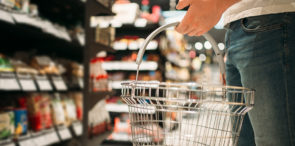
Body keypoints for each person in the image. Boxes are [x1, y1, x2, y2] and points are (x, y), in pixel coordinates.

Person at [175, 0, 295, 146]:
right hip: (235, 28)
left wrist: (216, 4)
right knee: (243, 140)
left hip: (270, 19)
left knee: (274, 140)